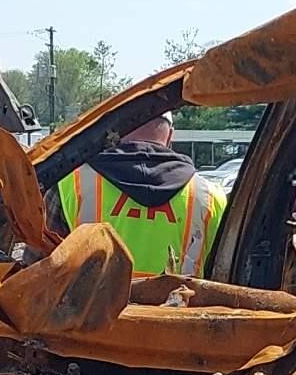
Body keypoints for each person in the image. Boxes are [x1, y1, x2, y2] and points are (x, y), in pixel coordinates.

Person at [56, 109, 227, 277]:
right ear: (170, 136)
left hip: (89, 305)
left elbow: (39, 266)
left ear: (119, 130)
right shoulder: (210, 197)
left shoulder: (71, 182)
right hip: (180, 303)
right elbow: (224, 272)